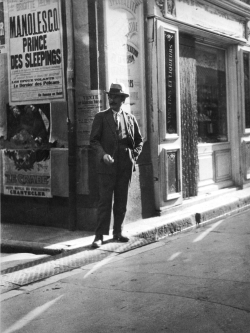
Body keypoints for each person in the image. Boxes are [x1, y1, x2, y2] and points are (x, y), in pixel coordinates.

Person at [90, 83, 143, 248]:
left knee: (121, 200)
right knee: (104, 201)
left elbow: (139, 141)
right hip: (107, 166)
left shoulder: (130, 118)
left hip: (124, 165)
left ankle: (118, 232)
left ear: (122, 100)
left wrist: (133, 156)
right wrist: (103, 155)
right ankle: (99, 236)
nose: (112, 100)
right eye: (110, 97)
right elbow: (94, 140)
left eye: (115, 97)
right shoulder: (101, 117)